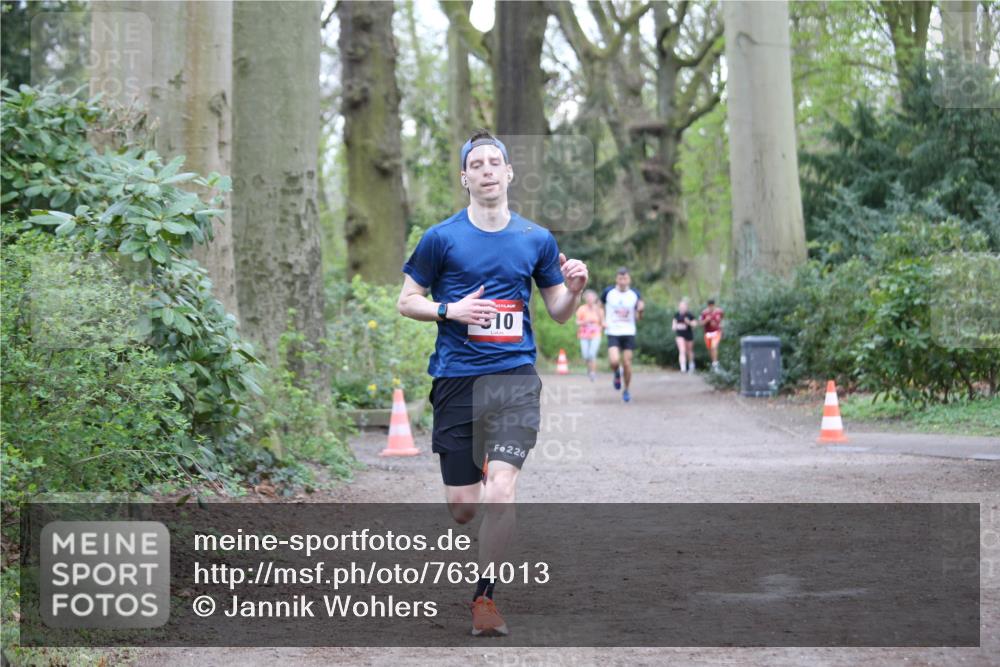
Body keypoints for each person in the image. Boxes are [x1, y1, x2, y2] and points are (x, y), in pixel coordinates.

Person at [397, 128, 588, 637]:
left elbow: (559, 312)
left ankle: (485, 600)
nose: (485, 170)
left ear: (508, 173)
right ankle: (479, 471)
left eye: (493, 162)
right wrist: (448, 309)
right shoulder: (441, 238)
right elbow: (406, 299)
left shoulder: (535, 239)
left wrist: (574, 291)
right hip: (457, 378)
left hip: (514, 379)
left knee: (502, 491)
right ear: (465, 178)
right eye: (475, 164)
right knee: (463, 508)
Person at [601, 268, 644, 402]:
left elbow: (638, 318)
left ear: (629, 279)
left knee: (627, 363)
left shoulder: (635, 294)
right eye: (620, 278)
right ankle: (616, 373)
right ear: (616, 279)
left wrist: (641, 311)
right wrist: (602, 320)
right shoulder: (608, 292)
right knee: (614, 361)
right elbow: (600, 306)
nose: (623, 281)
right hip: (613, 331)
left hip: (628, 332)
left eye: (625, 278)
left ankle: (626, 390)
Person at [575, 289, 604, 381]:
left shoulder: (599, 309)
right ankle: (589, 369)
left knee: (592, 354)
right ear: (585, 299)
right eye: (588, 297)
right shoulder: (582, 309)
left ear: (595, 298)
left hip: (596, 334)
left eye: (592, 297)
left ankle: (593, 373)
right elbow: (577, 322)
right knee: (585, 355)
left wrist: (601, 327)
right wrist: (584, 321)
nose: (590, 299)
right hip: (584, 334)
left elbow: (602, 322)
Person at [672, 299, 698, 373]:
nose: (682, 307)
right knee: (682, 350)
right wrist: (677, 326)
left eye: (684, 306)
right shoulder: (676, 315)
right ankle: (683, 368)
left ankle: (691, 366)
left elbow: (695, 325)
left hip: (689, 335)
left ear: (686, 307)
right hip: (680, 335)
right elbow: (673, 326)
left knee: (689, 351)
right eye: (681, 306)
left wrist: (688, 322)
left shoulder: (690, 315)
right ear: (679, 306)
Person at [700, 298, 724, 371]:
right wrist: (706, 320)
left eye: (712, 306)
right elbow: (701, 323)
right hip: (708, 333)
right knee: (710, 349)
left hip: (717, 332)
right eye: (710, 306)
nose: (711, 307)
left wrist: (721, 328)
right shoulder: (704, 313)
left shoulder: (719, 311)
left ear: (714, 305)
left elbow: (722, 321)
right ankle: (714, 363)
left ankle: (715, 364)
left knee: (714, 347)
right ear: (708, 306)